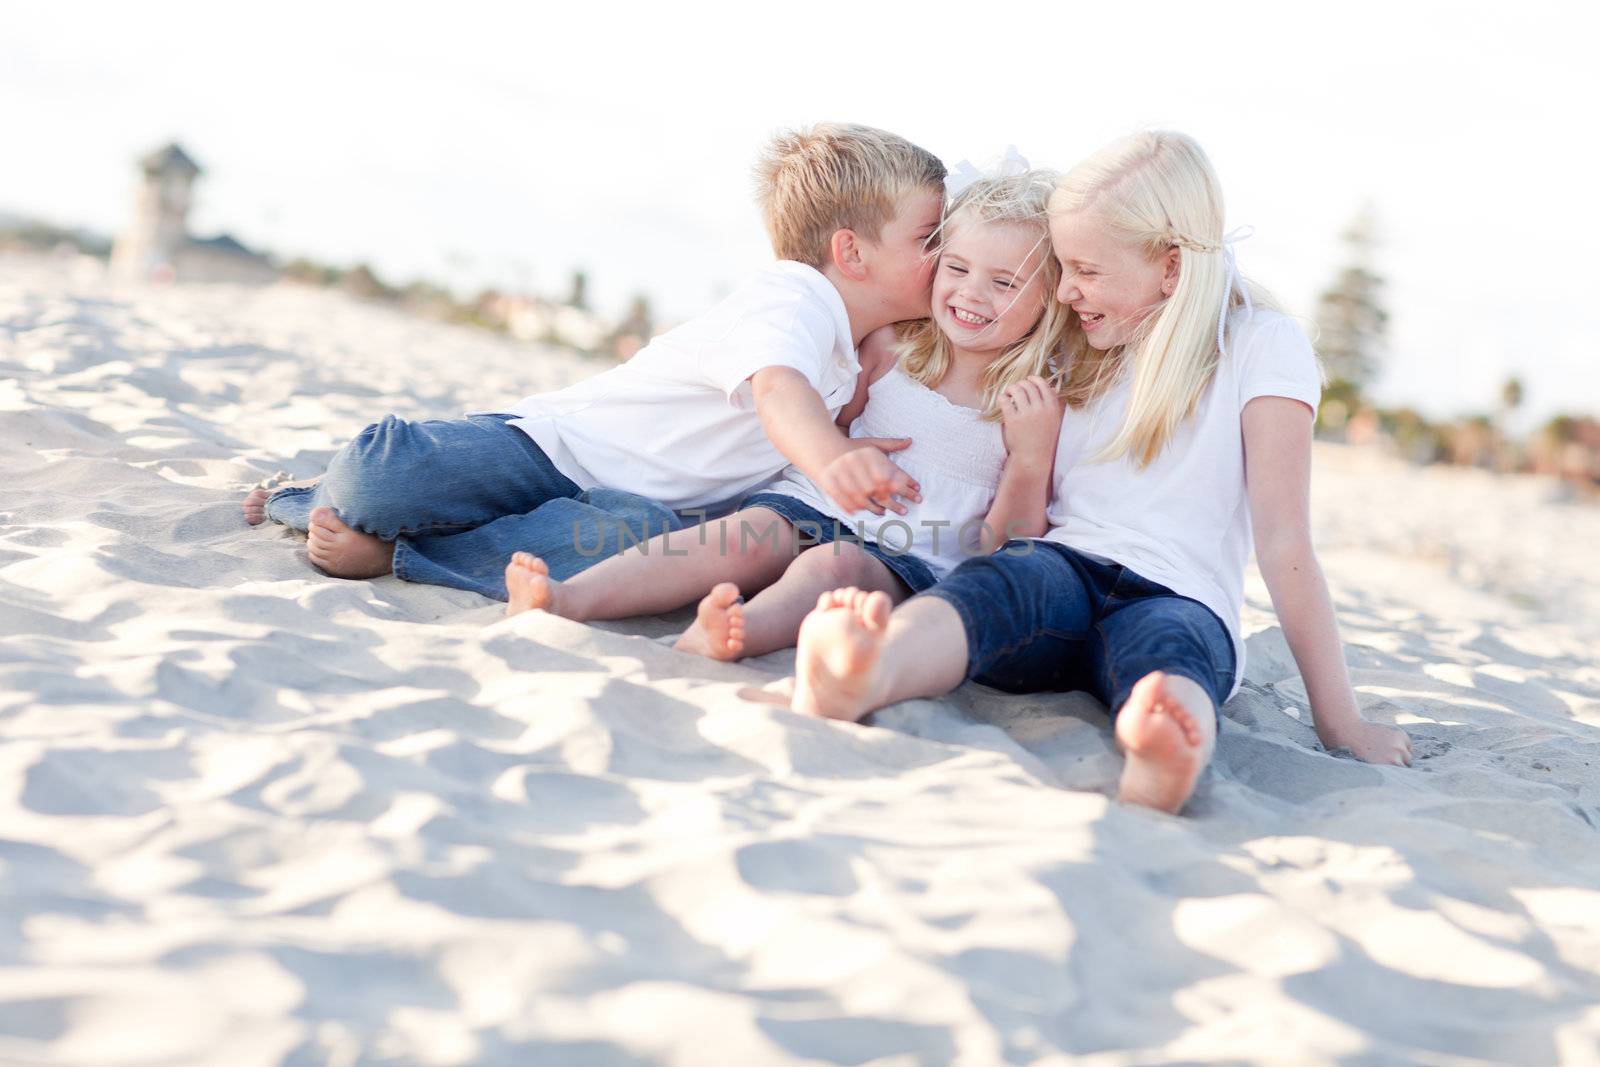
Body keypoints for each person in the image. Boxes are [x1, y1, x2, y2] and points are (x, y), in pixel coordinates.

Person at [785, 131, 1413, 816]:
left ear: (1170, 269)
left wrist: (1340, 721)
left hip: (1179, 589)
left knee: (1173, 650)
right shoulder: (1079, 338)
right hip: (1064, 561)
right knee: (998, 587)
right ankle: (867, 669)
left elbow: (1285, 541)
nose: (1066, 289)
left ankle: (1164, 750)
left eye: (1085, 269)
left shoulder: (1262, 343)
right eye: (1062, 266)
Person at [241, 123, 945, 599]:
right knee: (380, 480)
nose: (945, 257)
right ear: (851, 253)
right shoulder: (794, 300)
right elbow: (777, 391)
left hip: (635, 503)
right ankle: (305, 494)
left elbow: (814, 412)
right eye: (929, 237)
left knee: (635, 544)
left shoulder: (853, 347)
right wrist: (833, 457)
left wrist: (852, 438)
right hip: (552, 447)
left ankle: (399, 555)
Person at [502, 168, 1073, 662]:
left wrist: (1030, 455)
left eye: (1003, 283)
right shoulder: (891, 347)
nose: (972, 293)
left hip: (912, 549)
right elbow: (835, 425)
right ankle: (567, 598)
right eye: (957, 268)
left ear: (1047, 298)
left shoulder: (1031, 401)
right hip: (818, 501)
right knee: (738, 538)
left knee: (834, 567)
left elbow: (1009, 543)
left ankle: (737, 632)